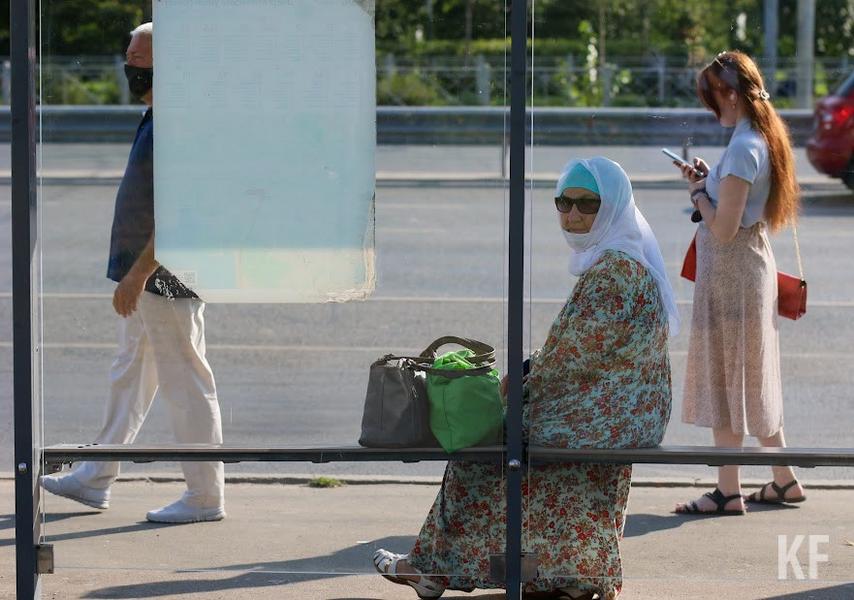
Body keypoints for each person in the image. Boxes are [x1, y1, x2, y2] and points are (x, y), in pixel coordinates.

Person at [372, 157, 677, 600]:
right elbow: (579, 353)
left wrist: (519, 382)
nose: (573, 214)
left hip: (605, 415)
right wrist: (529, 371)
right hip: (619, 411)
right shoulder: (622, 259)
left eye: (588, 204)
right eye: (564, 202)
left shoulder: (613, 272)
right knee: (549, 461)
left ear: (613, 206)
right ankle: (572, 576)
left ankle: (431, 567)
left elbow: (573, 357)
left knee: (484, 446)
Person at [41, 22, 226, 524]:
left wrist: (138, 273)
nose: (131, 67)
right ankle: (95, 476)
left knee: (185, 380)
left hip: (163, 277)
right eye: (129, 58)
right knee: (129, 374)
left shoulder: (178, 124)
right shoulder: (158, 115)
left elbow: (180, 213)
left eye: (139, 60)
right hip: (146, 278)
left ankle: (204, 496)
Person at [674, 51, 805, 515]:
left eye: (712, 97)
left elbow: (724, 228)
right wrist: (710, 181)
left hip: (732, 276)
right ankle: (784, 480)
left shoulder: (744, 147)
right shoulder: (760, 137)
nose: (712, 108)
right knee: (751, 376)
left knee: (728, 380)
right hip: (748, 270)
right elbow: (737, 205)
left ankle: (727, 492)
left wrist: (697, 194)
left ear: (731, 94)